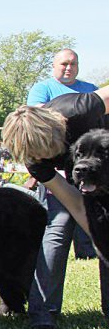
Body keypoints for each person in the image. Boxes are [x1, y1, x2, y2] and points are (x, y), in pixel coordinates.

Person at [2, 85, 109, 329]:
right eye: (35, 154)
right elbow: (74, 204)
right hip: (84, 176)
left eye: (45, 148)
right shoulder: (35, 159)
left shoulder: (79, 110)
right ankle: (43, 315)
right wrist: (100, 240)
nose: (43, 156)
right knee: (58, 228)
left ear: (53, 131)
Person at [27, 48, 98, 259]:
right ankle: (46, 278)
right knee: (59, 223)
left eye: (73, 64)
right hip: (56, 164)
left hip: (91, 164)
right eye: (64, 64)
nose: (69, 68)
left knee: (91, 211)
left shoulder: (90, 89)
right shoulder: (42, 88)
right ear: (54, 66)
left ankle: (87, 252)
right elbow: (37, 119)